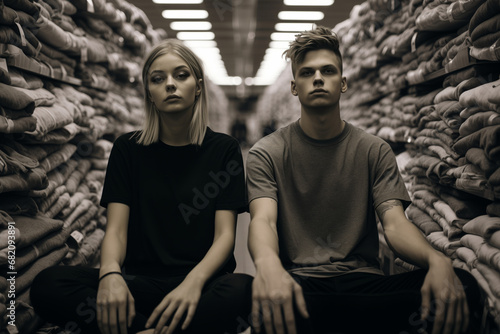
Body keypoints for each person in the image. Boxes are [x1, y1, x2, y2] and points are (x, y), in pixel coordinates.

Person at [245, 26, 481, 334]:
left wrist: (436, 260)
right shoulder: (267, 152)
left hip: (365, 284)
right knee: (250, 297)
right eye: (307, 73)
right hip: (301, 285)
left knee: (462, 285)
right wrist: (267, 266)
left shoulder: (373, 149)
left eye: (328, 71)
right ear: (294, 87)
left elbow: (395, 225)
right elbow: (262, 220)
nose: (318, 78)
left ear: (342, 83)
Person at [31, 39, 252, 334]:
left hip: (202, 285)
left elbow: (225, 236)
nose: (170, 85)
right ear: (149, 92)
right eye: (158, 79)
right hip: (140, 285)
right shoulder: (128, 149)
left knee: (246, 291)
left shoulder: (223, 149)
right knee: (49, 285)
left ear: (198, 87)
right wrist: (110, 274)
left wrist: (192, 283)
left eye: (181, 75)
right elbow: (116, 230)